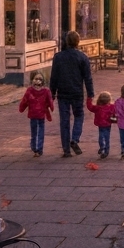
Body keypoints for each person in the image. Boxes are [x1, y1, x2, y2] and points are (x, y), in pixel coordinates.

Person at [49, 30, 94, 158]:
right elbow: (88, 78)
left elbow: (54, 77)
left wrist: (51, 93)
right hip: (77, 92)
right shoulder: (82, 57)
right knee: (79, 116)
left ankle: (66, 149)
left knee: (64, 120)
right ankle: (74, 138)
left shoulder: (58, 57)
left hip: (62, 93)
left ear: (66, 42)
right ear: (78, 42)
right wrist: (90, 94)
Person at [17, 72, 54, 157]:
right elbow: (25, 100)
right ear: (32, 80)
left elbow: (50, 100)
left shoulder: (45, 91)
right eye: (36, 79)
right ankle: (36, 148)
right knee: (35, 132)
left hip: (41, 115)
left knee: (39, 132)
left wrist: (51, 107)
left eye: (40, 79)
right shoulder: (30, 91)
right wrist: (21, 108)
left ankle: (38, 149)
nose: (38, 81)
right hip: (33, 115)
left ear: (43, 81)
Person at [87, 91, 117, 159]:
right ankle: (106, 150)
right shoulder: (111, 107)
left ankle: (102, 147)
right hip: (108, 124)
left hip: (100, 124)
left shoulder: (97, 108)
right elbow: (117, 109)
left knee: (101, 136)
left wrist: (89, 99)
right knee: (107, 137)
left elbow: (90, 107)